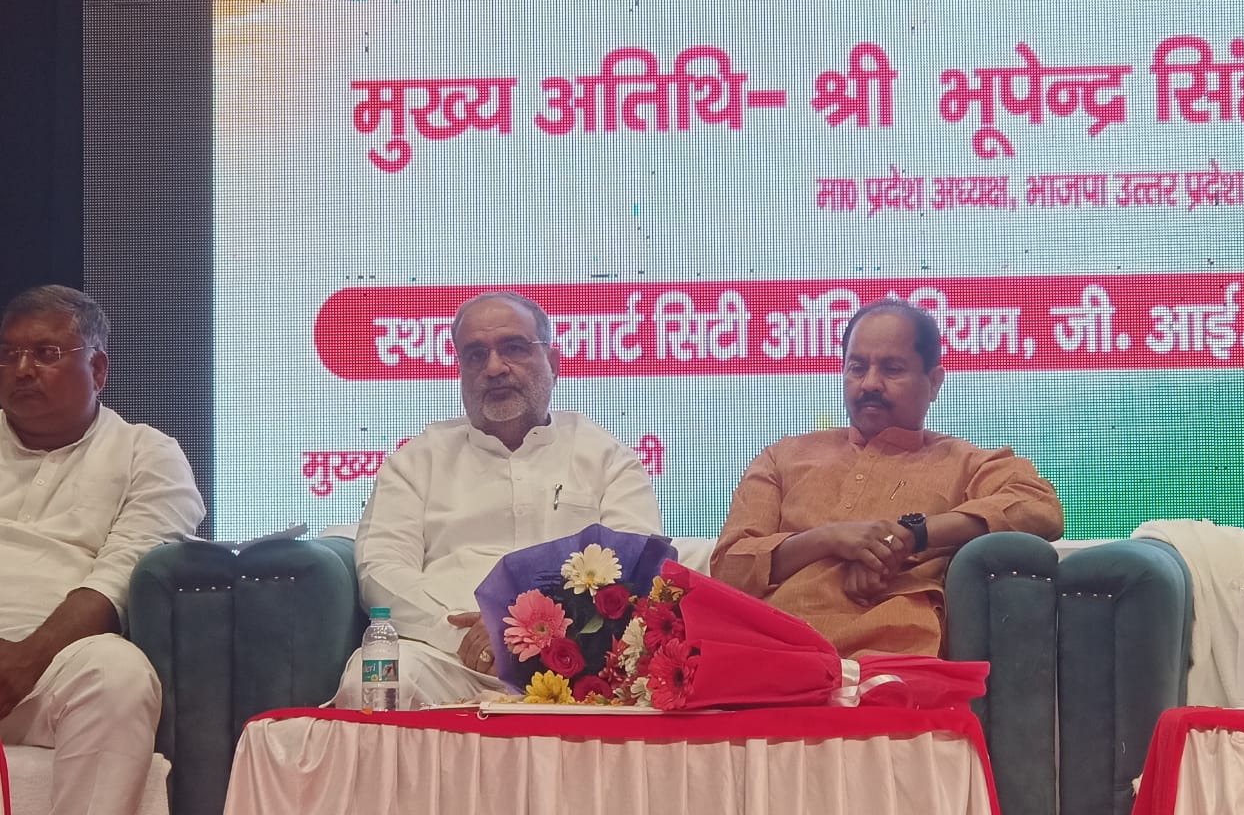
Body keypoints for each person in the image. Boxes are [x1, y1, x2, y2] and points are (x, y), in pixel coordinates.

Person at [332, 291, 661, 707]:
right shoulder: (417, 460)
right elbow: (381, 569)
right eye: (475, 355)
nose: (493, 368)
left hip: (575, 657)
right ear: (461, 371)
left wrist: (532, 631)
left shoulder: (606, 458)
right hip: (448, 657)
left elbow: (635, 565)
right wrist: (456, 633)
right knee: (372, 681)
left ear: (553, 363)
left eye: (514, 348)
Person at [0, 285, 205, 815]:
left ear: (99, 367)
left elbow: (123, 570)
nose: (22, 369)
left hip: (54, 668)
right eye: (8, 354)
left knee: (119, 675)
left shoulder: (148, 453)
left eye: (46, 353)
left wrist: (25, 661)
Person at [711, 299, 1063, 658]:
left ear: (934, 383)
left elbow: (1039, 506)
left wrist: (910, 536)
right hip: (771, 653)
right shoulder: (783, 457)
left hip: (895, 658)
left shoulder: (966, 463)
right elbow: (728, 567)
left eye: (892, 369)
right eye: (857, 368)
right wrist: (828, 539)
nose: (870, 384)